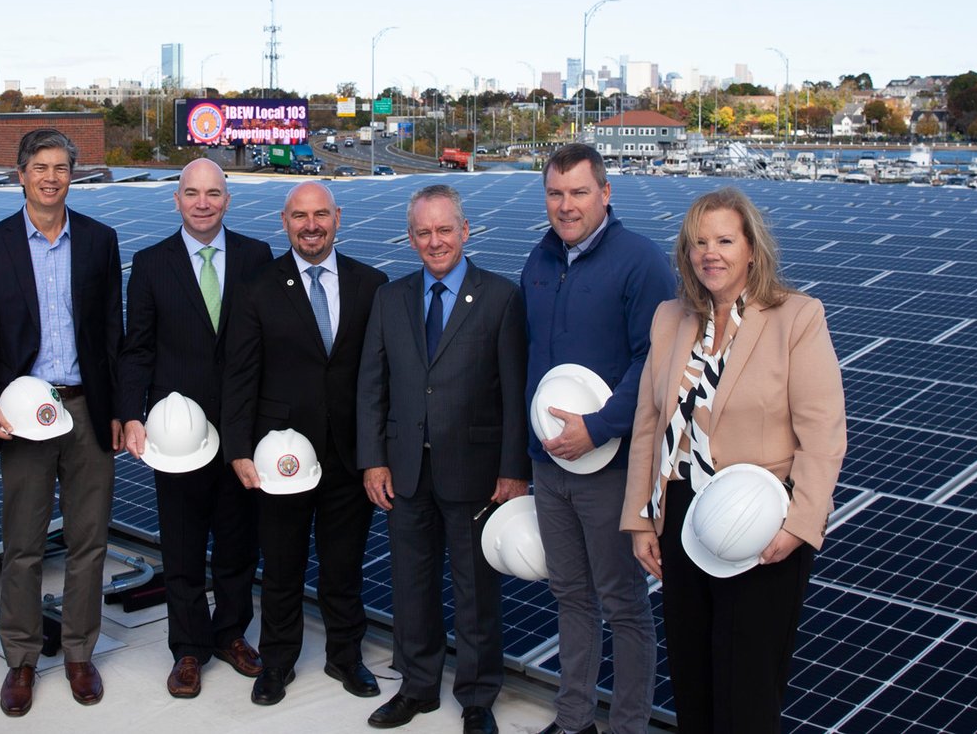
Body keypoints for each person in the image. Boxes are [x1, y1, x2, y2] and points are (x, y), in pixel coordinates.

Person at [622, 188, 846, 734]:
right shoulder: (670, 318)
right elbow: (649, 425)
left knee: (747, 689)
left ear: (752, 249)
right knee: (694, 681)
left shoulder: (796, 317)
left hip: (761, 523)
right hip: (682, 514)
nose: (710, 253)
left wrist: (801, 525)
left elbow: (823, 433)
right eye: (699, 242)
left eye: (724, 239)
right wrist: (641, 520)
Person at [0, 129, 124, 716]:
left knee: (89, 540)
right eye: (41, 167)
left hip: (85, 408)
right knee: (24, 544)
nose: (52, 177)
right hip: (23, 412)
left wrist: (117, 412)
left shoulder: (100, 241)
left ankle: (80, 653)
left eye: (62, 167)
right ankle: (22, 660)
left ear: (72, 174)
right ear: (21, 174)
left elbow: (112, 334)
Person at [357, 184, 528, 734]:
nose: (435, 242)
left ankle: (477, 698)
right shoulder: (391, 298)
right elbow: (372, 386)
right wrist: (373, 461)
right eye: (424, 233)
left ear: (465, 230)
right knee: (412, 584)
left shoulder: (501, 297)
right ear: (410, 239)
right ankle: (417, 687)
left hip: (475, 472)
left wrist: (513, 468)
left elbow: (513, 390)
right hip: (405, 470)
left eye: (444, 230)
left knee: (475, 588)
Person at [521, 145, 676, 734]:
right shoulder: (539, 259)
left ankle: (629, 726)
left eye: (579, 192)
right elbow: (531, 358)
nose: (567, 206)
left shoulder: (640, 262)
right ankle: (574, 719)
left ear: (605, 193)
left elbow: (656, 359)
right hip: (548, 463)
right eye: (556, 193)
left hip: (610, 466)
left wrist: (599, 427)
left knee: (624, 604)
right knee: (570, 596)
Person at [221, 181, 388, 706]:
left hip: (349, 456)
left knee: (344, 566)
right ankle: (276, 663)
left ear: (337, 217)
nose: (310, 225)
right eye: (300, 216)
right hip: (281, 457)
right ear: (284, 220)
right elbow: (240, 375)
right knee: (283, 566)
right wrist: (239, 449)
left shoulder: (371, 284)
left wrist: (377, 453)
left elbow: (379, 377)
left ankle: (345, 656)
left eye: (320, 214)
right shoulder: (257, 286)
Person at [119, 158, 274, 699]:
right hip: (175, 436)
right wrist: (132, 414)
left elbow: (267, 346)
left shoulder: (258, 257)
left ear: (227, 199)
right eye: (192, 193)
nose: (203, 202)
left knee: (238, 542)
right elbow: (136, 349)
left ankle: (231, 633)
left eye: (213, 192)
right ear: (177, 200)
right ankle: (188, 649)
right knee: (182, 547)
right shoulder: (150, 263)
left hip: (241, 429)